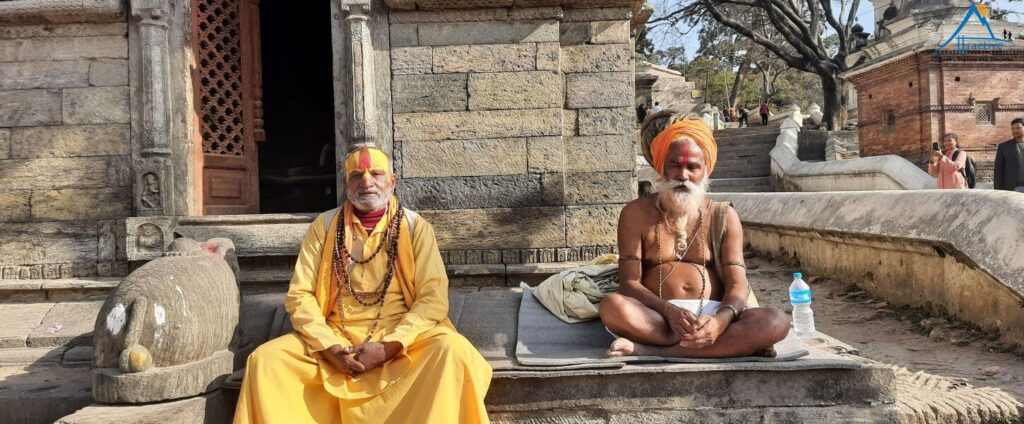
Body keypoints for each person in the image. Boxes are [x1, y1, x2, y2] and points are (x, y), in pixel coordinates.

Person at [234, 147, 492, 423]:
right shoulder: (324, 226)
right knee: (266, 361)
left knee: (453, 351)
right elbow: (301, 295)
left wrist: (388, 347)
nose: (367, 182)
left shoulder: (415, 227)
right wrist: (331, 349)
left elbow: (432, 299)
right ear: (346, 184)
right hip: (335, 335)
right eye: (357, 175)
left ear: (392, 182)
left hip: (401, 336)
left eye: (376, 174)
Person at [599, 109, 790, 359]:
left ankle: (649, 351)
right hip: (656, 318)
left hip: (714, 316)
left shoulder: (723, 215)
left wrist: (721, 320)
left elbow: (737, 282)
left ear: (705, 171)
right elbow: (629, 283)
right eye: (675, 165)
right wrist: (669, 311)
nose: (683, 175)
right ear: (661, 167)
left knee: (776, 321)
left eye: (693, 167)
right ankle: (725, 346)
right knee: (612, 306)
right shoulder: (635, 213)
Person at [994, 118, 1024, 192]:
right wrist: (998, 190)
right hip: (1014, 188)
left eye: (1018, 128)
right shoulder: (1004, 147)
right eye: (1013, 128)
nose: (1015, 130)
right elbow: (998, 170)